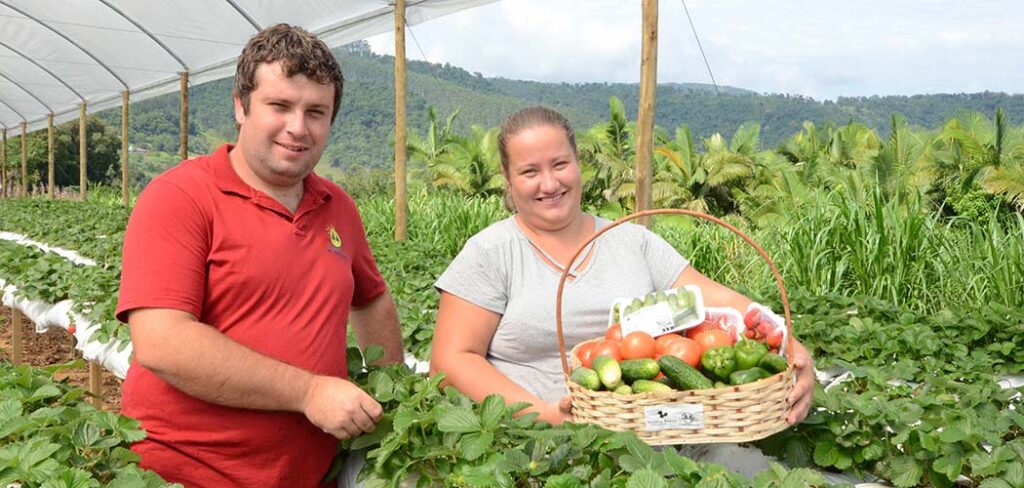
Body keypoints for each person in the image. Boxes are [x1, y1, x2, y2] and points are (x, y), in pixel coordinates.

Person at [116, 24, 404, 487]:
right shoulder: (180, 197)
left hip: (310, 473)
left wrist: (395, 395)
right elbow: (161, 341)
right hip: (188, 472)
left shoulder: (338, 206)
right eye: (280, 106)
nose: (298, 127)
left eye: (316, 112)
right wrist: (309, 391)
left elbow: (371, 299)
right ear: (240, 106)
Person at [430, 106, 815, 428]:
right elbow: (451, 362)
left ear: (578, 164)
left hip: (652, 431)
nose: (549, 183)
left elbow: (718, 300)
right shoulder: (491, 252)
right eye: (530, 172)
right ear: (508, 179)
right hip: (531, 439)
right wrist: (545, 416)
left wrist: (788, 343)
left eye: (560, 164)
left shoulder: (632, 241)